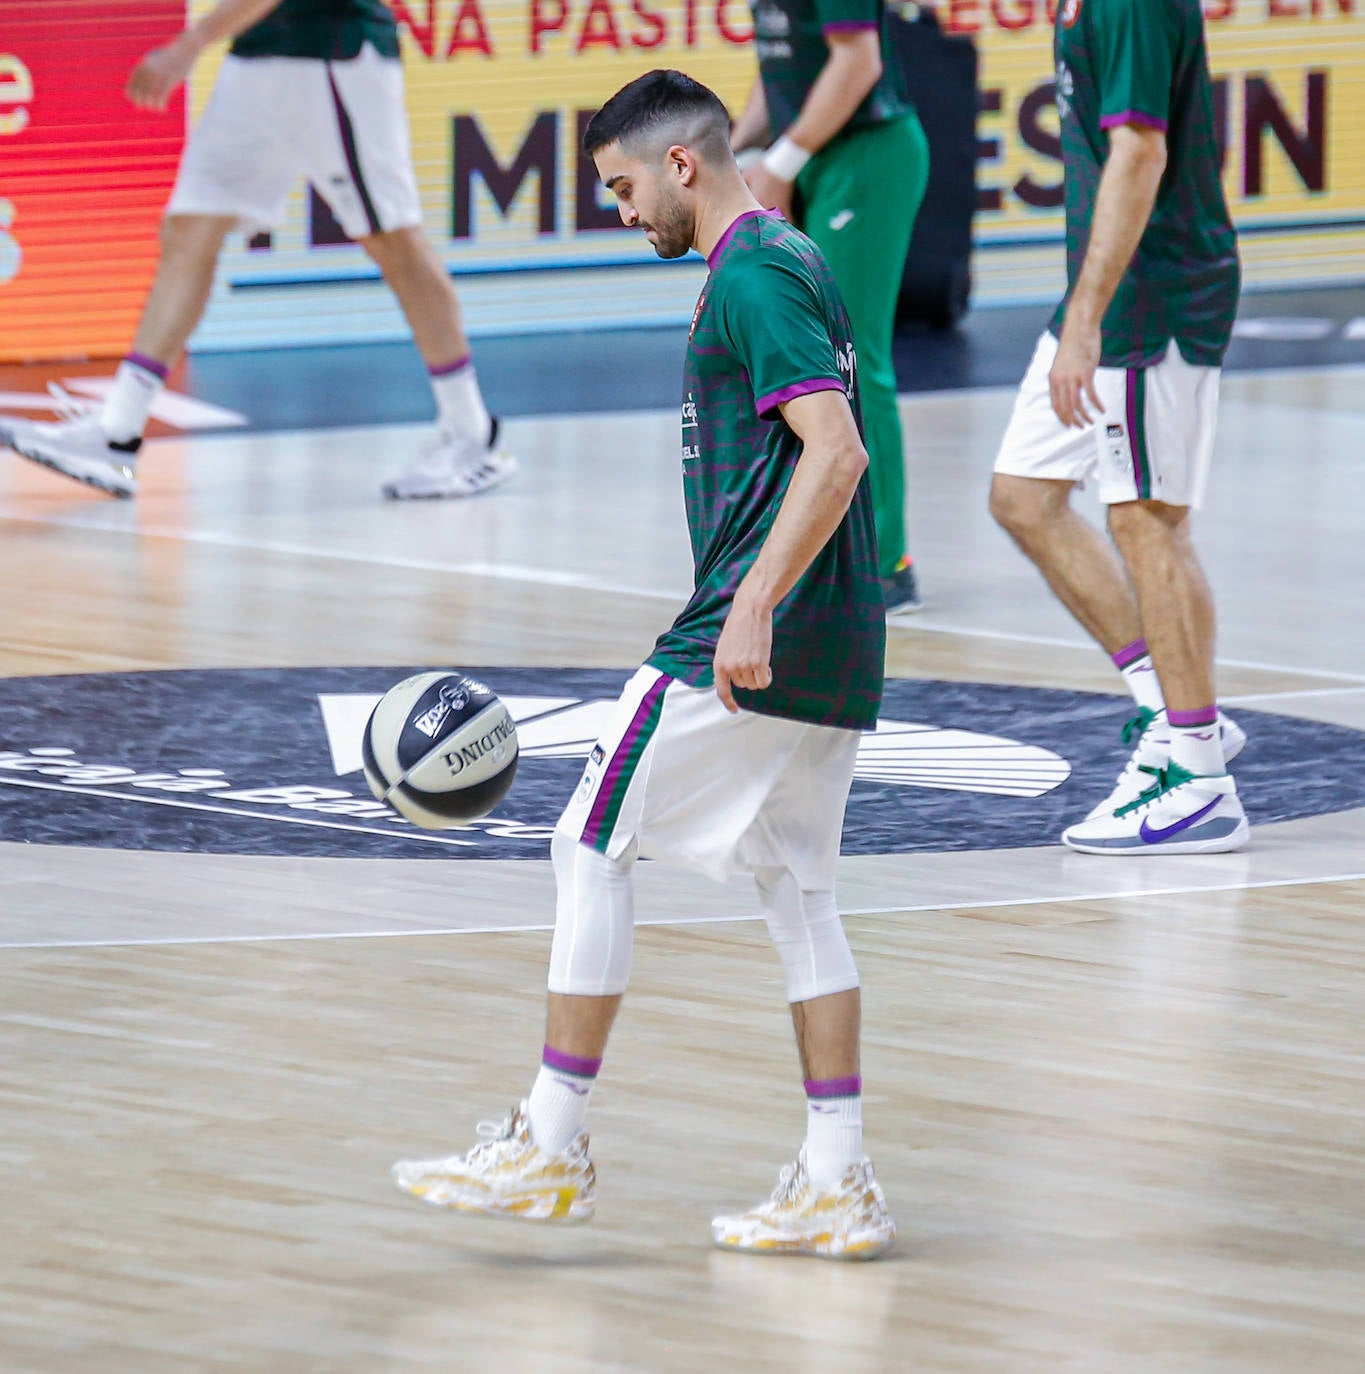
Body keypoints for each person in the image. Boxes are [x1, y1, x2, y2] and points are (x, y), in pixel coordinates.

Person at [392, 69, 896, 1260]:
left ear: (684, 164)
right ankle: (838, 1180)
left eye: (623, 186)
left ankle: (550, 1143)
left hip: (751, 624)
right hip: (839, 638)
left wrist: (753, 605)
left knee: (586, 843)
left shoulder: (757, 273)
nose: (621, 210)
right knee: (802, 897)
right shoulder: (780, 255)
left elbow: (839, 453)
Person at [0, 0, 512, 502]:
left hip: (332, 55)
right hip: (256, 56)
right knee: (189, 230)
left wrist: (189, 43)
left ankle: (470, 433)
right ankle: (117, 431)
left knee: (393, 241)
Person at [988, 0, 1247, 856]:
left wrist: (1090, 320)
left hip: (1149, 297)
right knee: (1024, 495)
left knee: (1146, 519)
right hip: (1103, 298)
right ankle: (1161, 708)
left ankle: (1199, 775)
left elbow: (1140, 152)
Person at [730, 0, 929, 613]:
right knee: (802, 356)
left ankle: (886, 562)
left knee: (851, 359)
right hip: (817, 151)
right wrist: (731, 153)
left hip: (865, 154)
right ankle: (815, 549)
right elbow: (783, 65)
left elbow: (857, 61)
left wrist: (783, 161)